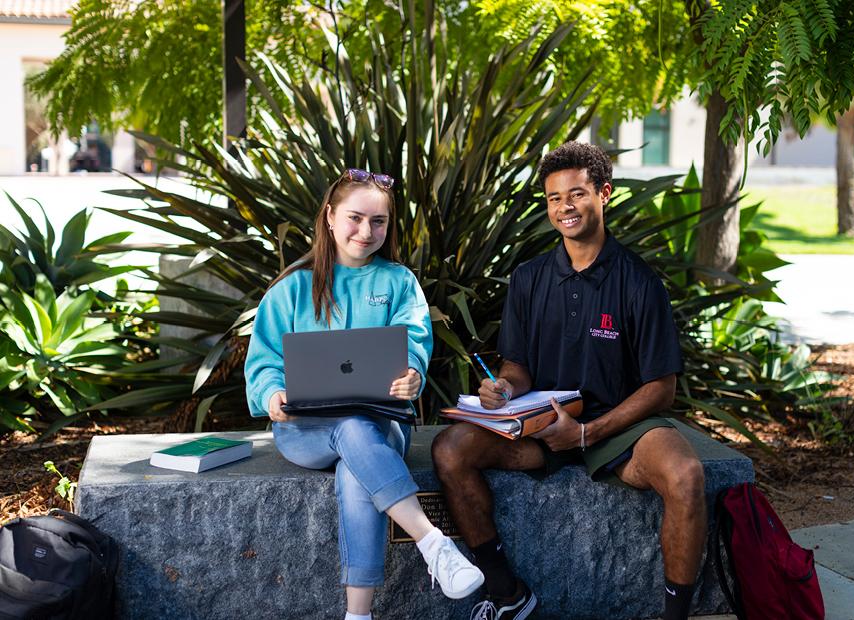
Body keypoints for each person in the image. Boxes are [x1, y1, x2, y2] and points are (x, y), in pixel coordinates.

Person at [432, 143, 706, 620]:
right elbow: (517, 367)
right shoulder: (528, 278)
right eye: (555, 198)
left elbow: (662, 387)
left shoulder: (640, 283)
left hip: (619, 430)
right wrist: (505, 390)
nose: (565, 207)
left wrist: (588, 433)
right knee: (450, 450)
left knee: (686, 475)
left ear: (604, 193)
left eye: (577, 194)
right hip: (541, 429)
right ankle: (507, 594)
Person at [245, 168, 484, 620]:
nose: (366, 231)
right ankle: (433, 542)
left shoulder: (398, 282)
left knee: (357, 452)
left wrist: (411, 374)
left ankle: (358, 615)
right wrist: (273, 394)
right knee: (352, 431)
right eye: (355, 218)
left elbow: (414, 343)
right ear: (330, 217)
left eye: (379, 222)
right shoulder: (291, 288)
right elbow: (263, 363)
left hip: (380, 424)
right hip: (305, 432)